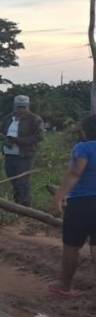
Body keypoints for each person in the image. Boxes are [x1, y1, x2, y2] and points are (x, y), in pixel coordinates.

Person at [49, 115, 96, 298]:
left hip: (81, 203)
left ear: (84, 130)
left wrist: (59, 196)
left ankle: (64, 286)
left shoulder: (83, 148)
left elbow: (75, 173)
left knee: (72, 246)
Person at [0, 95, 43, 207]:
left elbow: (39, 137)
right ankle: (17, 204)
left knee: (22, 181)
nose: (21, 109)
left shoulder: (35, 119)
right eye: (18, 107)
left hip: (25, 155)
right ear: (14, 106)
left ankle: (25, 206)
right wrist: (5, 138)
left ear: (28, 106)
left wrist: (18, 140)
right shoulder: (8, 118)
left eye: (23, 107)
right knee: (12, 179)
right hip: (9, 154)